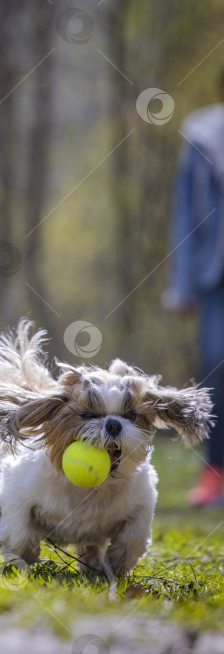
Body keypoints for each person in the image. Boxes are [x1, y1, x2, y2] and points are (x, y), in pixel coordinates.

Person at [164, 73, 224, 506]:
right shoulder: (203, 138)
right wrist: (182, 285)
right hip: (215, 276)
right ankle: (215, 473)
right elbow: (186, 217)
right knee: (216, 369)